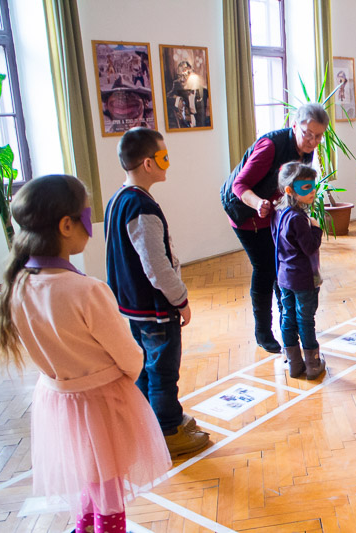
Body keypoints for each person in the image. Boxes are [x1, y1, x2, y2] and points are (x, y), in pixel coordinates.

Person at [0, 175, 171, 533]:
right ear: (66, 225)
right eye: (87, 216)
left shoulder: (17, 286)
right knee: (108, 486)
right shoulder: (87, 290)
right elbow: (129, 356)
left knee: (91, 478)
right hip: (100, 404)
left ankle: (83, 526)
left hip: (58, 402)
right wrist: (129, 371)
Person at [106, 127, 210, 457]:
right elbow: (157, 266)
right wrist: (181, 300)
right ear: (148, 163)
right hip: (154, 309)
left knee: (145, 365)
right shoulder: (142, 207)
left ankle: (153, 422)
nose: (168, 163)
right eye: (164, 157)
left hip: (131, 307)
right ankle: (168, 431)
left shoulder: (119, 199)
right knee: (162, 370)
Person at [220, 103, 329, 352]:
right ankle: (263, 332)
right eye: (307, 134)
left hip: (273, 215)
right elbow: (239, 185)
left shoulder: (306, 151)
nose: (312, 141)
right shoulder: (270, 146)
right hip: (244, 212)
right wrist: (258, 203)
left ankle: (288, 324)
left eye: (318, 136)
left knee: (282, 267)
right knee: (266, 268)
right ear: (294, 126)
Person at [271, 163, 326, 380]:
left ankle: (294, 364)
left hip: (285, 277)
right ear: (289, 190)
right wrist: (316, 228)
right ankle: (313, 364)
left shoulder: (278, 213)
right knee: (305, 320)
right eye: (305, 187)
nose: (312, 191)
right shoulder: (298, 218)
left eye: (313, 186)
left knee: (288, 317)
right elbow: (310, 247)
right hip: (304, 280)